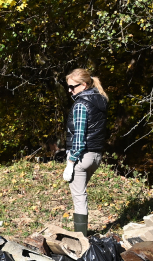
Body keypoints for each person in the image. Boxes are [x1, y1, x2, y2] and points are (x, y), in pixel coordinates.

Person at [63, 68, 109, 236]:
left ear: (83, 85)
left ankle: (81, 239)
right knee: (80, 194)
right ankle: (81, 236)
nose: (70, 90)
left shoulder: (81, 104)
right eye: (68, 87)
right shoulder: (100, 100)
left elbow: (79, 136)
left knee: (79, 198)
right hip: (96, 155)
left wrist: (70, 163)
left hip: (82, 156)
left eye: (72, 87)